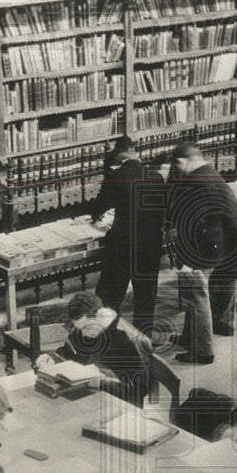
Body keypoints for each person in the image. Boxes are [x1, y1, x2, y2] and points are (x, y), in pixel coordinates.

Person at [165, 141, 237, 364]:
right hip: (232, 238)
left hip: (212, 243)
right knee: (213, 286)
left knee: (197, 294)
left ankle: (203, 351)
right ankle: (201, 333)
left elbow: (205, 227)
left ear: (184, 162)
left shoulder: (197, 182)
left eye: (177, 165)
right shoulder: (208, 172)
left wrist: (191, 261)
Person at [91, 136, 165, 335]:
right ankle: (142, 342)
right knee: (145, 300)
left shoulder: (117, 176)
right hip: (150, 246)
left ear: (119, 154)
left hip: (123, 247)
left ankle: (107, 339)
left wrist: (108, 164)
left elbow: (97, 208)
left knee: (110, 297)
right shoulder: (156, 177)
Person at [48, 292, 152, 406]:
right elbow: (68, 351)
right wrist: (52, 358)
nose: (83, 334)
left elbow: (141, 390)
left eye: (86, 328)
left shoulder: (127, 340)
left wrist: (102, 384)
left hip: (121, 407)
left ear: (100, 316)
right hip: (93, 397)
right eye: (79, 328)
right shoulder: (88, 327)